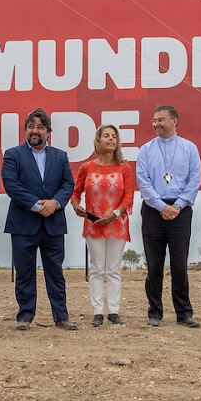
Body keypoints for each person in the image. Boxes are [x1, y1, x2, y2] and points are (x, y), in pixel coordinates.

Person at [3, 107, 78, 331]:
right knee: (24, 272)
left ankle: (61, 316)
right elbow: (11, 184)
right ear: (26, 130)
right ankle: (25, 316)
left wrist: (55, 203)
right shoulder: (12, 154)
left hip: (53, 224)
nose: (35, 131)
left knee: (55, 272)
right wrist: (37, 206)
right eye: (31, 127)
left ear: (48, 132)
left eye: (40, 127)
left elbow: (68, 185)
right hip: (23, 223)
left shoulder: (60, 156)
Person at [136, 104, 201, 328]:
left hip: (180, 211)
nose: (156, 124)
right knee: (154, 264)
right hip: (154, 210)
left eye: (161, 120)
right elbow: (143, 182)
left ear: (174, 121)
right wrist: (160, 206)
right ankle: (154, 313)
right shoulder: (145, 149)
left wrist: (179, 205)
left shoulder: (190, 148)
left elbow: (195, 179)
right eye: (154, 120)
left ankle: (184, 314)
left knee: (179, 264)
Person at [70, 125, 135, 327]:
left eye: (114, 136)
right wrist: (75, 206)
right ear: (97, 141)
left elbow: (129, 197)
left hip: (117, 223)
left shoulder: (124, 167)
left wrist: (114, 214)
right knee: (97, 268)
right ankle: (98, 312)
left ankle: (114, 312)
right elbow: (75, 192)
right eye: (106, 136)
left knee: (114, 268)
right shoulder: (86, 167)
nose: (110, 139)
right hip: (93, 224)